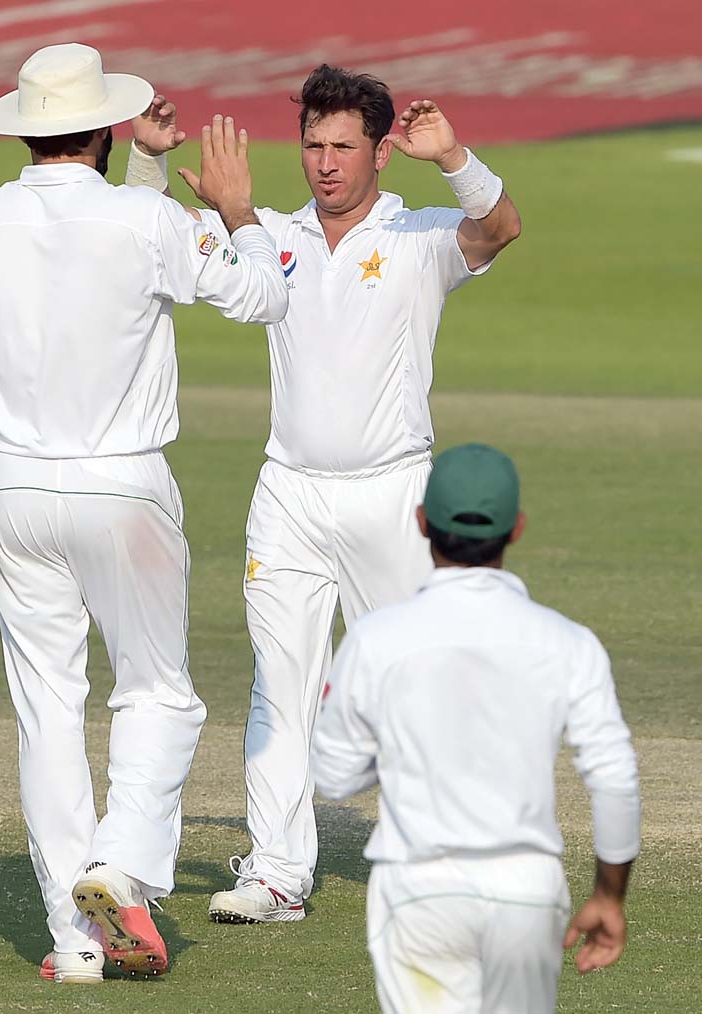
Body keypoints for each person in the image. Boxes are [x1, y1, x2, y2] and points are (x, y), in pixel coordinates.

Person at [0, 43, 287, 984]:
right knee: (158, 692)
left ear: (28, 129)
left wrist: (151, 173)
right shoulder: (145, 220)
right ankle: (121, 865)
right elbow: (262, 294)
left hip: (13, 489)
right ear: (105, 128)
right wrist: (239, 214)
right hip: (120, 486)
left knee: (47, 709)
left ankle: (75, 942)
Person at [126, 64, 522, 922]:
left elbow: (498, 228)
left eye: (343, 146)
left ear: (381, 151)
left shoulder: (418, 235)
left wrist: (453, 156)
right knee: (281, 682)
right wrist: (150, 161)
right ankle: (276, 873)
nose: (325, 163)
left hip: (393, 493)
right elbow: (148, 244)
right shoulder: (271, 235)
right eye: (313, 144)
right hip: (290, 497)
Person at [310, 442, 641, 1014]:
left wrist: (398, 748)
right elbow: (615, 778)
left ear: (420, 523)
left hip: (418, 889)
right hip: (526, 891)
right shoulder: (568, 642)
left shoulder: (376, 639)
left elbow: (334, 776)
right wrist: (610, 896)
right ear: (516, 529)